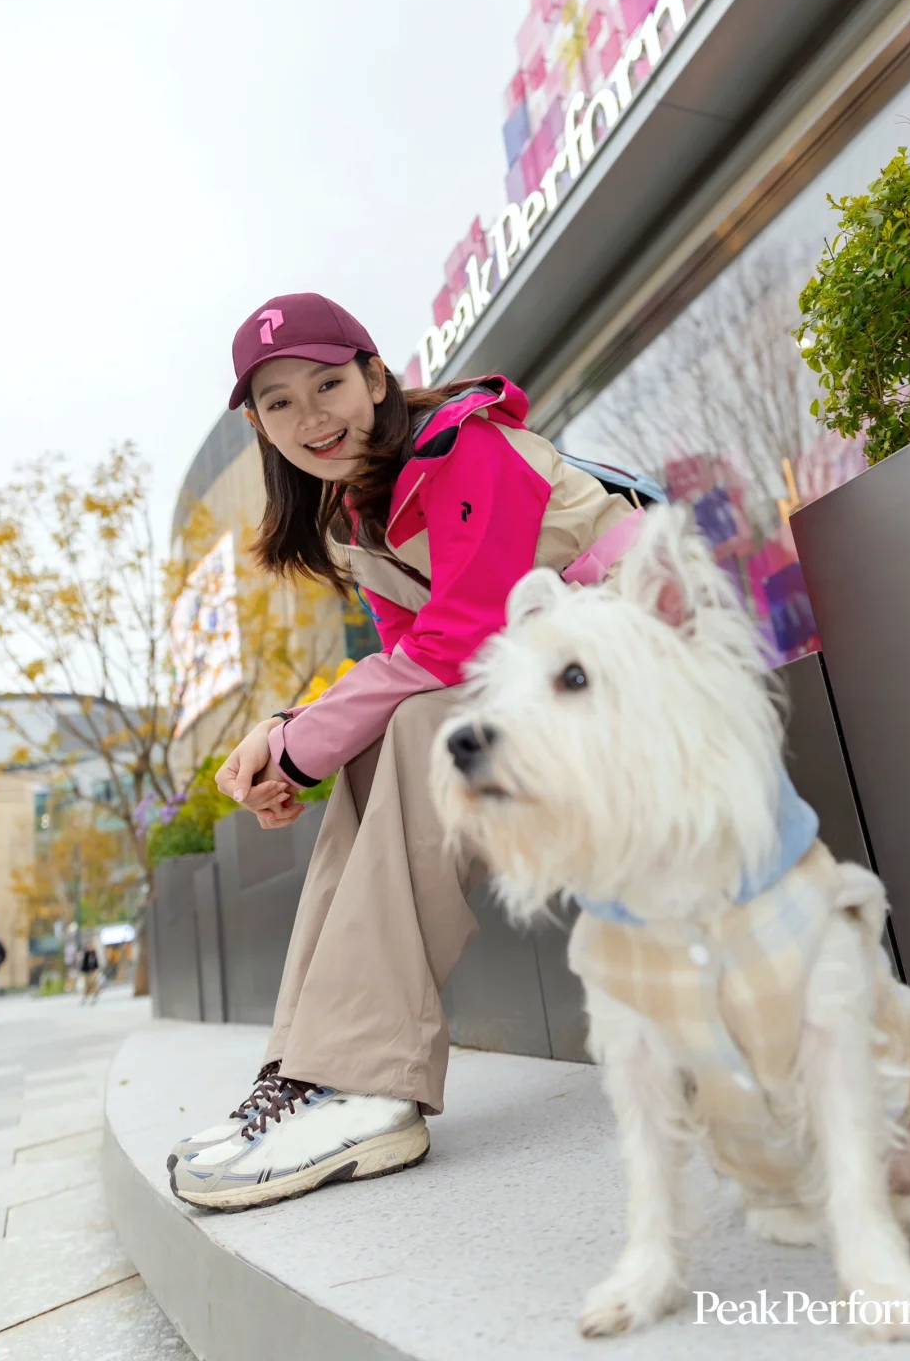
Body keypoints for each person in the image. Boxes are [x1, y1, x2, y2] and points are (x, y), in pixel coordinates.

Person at [169, 293, 642, 1212]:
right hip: (554, 681)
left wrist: (294, 746)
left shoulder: (464, 448)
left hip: (643, 661)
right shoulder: (359, 516)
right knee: (388, 736)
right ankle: (302, 1071)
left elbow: (455, 644)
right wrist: (293, 745)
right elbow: (408, 664)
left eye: (329, 384)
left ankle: (367, 1083)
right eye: (278, 404)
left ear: (375, 376)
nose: (311, 417)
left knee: (426, 729)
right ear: (259, 428)